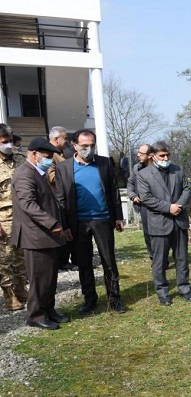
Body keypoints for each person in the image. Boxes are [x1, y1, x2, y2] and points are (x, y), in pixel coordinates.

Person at [56, 130, 126, 314]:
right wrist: (65, 225)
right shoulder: (63, 168)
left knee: (109, 261)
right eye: (85, 146)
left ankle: (114, 299)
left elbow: (114, 191)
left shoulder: (104, 163)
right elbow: (61, 198)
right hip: (78, 223)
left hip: (102, 219)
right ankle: (89, 299)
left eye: (92, 145)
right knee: (84, 263)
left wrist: (118, 216)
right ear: (74, 145)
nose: (89, 149)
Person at [11, 137, 68, 329]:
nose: (50, 160)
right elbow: (28, 204)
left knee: (49, 278)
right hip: (35, 236)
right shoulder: (24, 174)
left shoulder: (37, 172)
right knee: (39, 279)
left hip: (46, 236)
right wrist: (52, 223)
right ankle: (35, 316)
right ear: (34, 154)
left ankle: (49, 310)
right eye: (47, 156)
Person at [136, 141, 191, 306]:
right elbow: (146, 198)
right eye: (162, 156)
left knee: (182, 259)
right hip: (159, 223)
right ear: (152, 156)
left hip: (179, 221)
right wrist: (169, 208)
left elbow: (187, 189)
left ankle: (184, 289)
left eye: (167, 155)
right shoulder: (144, 174)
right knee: (159, 261)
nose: (166, 158)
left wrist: (178, 205)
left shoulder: (178, 170)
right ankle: (162, 292)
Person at [0, 123, 29, 311]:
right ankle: (9, 295)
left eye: (10, 141)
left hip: (22, 216)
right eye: (4, 142)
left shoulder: (20, 159)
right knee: (5, 258)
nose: (8, 145)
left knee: (22, 255)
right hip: (3, 218)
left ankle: (21, 287)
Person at [46, 125, 78, 272]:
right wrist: (70, 176)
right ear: (56, 138)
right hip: (57, 197)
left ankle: (68, 259)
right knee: (62, 228)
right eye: (64, 138)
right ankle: (62, 261)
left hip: (65, 196)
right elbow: (51, 176)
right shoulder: (49, 155)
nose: (66, 141)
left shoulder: (60, 153)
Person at [127, 144, 155, 260]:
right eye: (138, 152)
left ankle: (162, 256)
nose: (138, 155)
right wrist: (133, 195)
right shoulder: (136, 168)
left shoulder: (158, 168)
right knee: (147, 232)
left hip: (158, 205)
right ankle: (153, 256)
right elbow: (130, 183)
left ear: (150, 155)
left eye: (141, 153)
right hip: (143, 205)